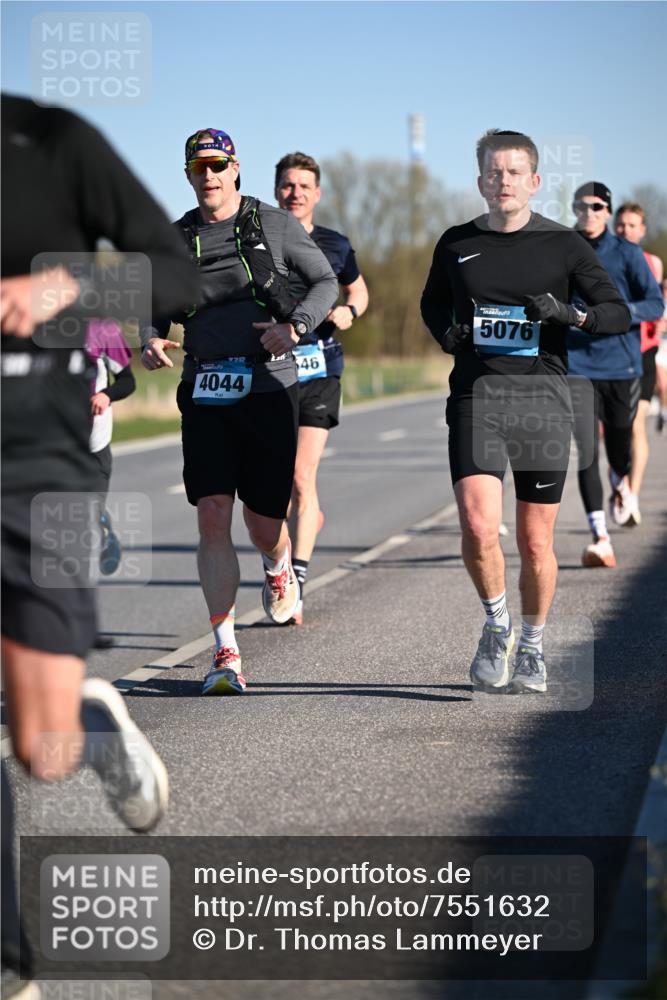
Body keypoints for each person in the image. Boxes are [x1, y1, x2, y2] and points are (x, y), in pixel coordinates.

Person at [1, 94, 198, 997]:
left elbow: (177, 273)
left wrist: (65, 288)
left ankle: (85, 713)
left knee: (43, 750)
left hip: (38, 457)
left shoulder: (52, 142)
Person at [421, 129, 630, 695]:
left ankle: (533, 643)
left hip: (541, 400)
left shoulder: (564, 244)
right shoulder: (456, 242)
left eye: (514, 171)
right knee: (476, 523)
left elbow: (616, 313)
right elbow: (432, 302)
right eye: (493, 171)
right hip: (476, 395)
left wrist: (570, 314)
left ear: (535, 181)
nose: (503, 180)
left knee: (535, 543)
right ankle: (496, 625)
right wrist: (448, 333)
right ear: (480, 180)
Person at [141, 129, 337, 695]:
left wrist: (294, 327)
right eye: (198, 167)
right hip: (205, 384)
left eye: (217, 165)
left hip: (268, 384)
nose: (209, 176)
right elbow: (151, 307)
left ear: (234, 169)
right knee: (211, 512)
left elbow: (324, 281)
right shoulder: (175, 238)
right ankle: (225, 651)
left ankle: (279, 568)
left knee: (263, 523)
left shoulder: (272, 224)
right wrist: (150, 337)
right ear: (188, 174)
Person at [274, 152, 369, 624]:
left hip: (319, 369)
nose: (296, 193)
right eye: (288, 185)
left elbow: (360, 290)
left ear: (318, 194)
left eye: (304, 186)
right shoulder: (258, 242)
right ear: (276, 191)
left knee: (298, 477)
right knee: (272, 484)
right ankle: (301, 528)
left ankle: (297, 581)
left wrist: (351, 311)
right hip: (269, 373)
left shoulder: (334, 244)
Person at [567, 184, 663, 567]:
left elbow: (655, 302)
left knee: (619, 447)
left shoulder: (627, 253)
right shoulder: (562, 249)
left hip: (621, 366)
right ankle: (600, 537)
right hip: (575, 364)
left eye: (596, 206)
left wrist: (620, 313)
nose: (588, 212)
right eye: (581, 206)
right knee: (587, 449)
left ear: (606, 211)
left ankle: (621, 480)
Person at [613, 203, 664, 524]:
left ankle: (631, 493)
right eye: (621, 225)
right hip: (612, 353)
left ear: (642, 230)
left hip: (643, 351)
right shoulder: (600, 259)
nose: (626, 230)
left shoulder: (652, 262)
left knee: (636, 425)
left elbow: (653, 304)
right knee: (616, 430)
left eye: (632, 225)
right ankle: (619, 485)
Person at [87, 319, 136, 577]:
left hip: (94, 439)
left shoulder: (103, 330)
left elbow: (128, 381)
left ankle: (104, 532)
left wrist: (107, 395)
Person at [656, 277, 667, 431]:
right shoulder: (656, 303)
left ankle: (663, 411)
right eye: (664, 286)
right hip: (658, 349)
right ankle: (663, 413)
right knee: (663, 386)